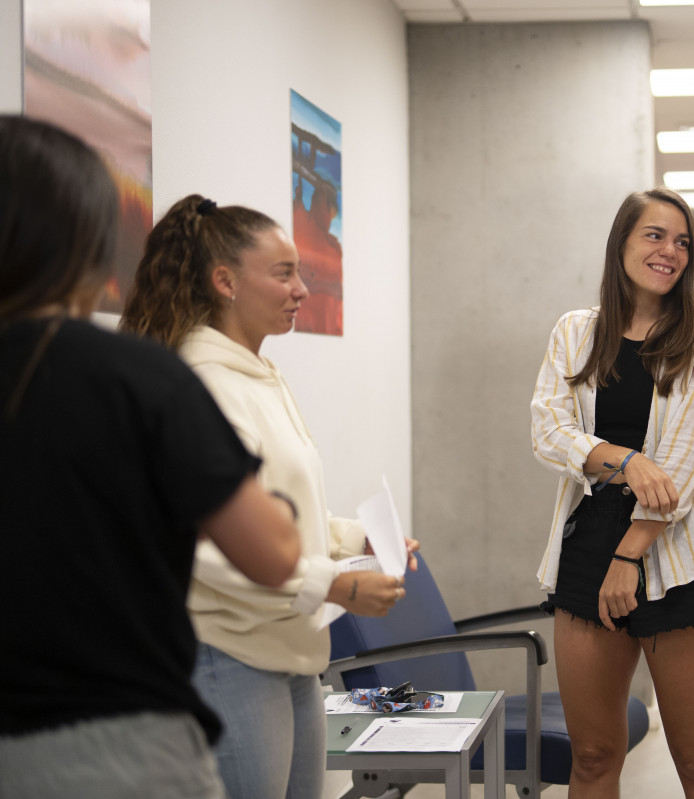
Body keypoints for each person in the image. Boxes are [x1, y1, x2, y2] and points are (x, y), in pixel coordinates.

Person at [0, 115, 301, 798]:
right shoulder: (140, 376)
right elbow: (271, 551)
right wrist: (279, 506)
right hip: (113, 741)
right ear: (88, 242)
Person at [120, 194, 417, 799]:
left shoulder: (259, 375)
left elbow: (279, 509)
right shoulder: (203, 383)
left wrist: (354, 540)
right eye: (284, 273)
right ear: (224, 281)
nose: (302, 289)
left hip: (291, 648)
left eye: (301, 273)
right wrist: (330, 583)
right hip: (225, 651)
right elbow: (200, 545)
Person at [531, 187, 694, 797]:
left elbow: (684, 465)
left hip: (674, 554)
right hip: (585, 550)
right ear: (621, 242)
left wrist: (629, 554)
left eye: (682, 242)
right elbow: (548, 431)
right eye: (654, 235)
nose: (669, 251)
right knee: (593, 756)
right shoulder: (576, 332)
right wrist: (625, 460)